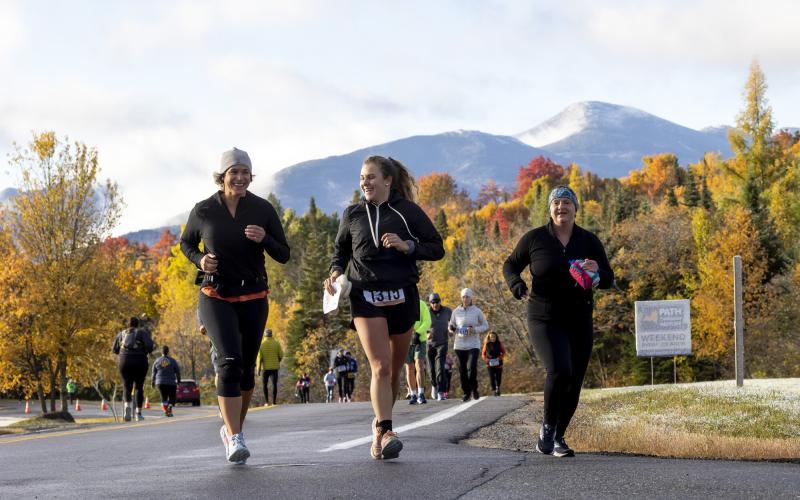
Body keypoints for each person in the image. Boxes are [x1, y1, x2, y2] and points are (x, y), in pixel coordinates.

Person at [324, 155, 444, 460]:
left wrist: (409, 246)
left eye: (372, 177)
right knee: (380, 366)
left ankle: (378, 427)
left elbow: (436, 247)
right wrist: (336, 272)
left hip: (403, 295)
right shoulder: (352, 214)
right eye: (363, 177)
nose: (365, 182)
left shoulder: (407, 212)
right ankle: (388, 430)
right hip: (365, 296)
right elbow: (340, 251)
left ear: (387, 180)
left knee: (391, 372)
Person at [181, 147, 290, 464]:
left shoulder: (262, 209)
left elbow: (284, 253)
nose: (240, 178)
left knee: (244, 372)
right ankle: (236, 437)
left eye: (245, 172)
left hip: (254, 296)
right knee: (229, 363)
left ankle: (232, 430)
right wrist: (200, 259)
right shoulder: (204, 211)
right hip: (216, 294)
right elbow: (186, 243)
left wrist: (264, 239)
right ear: (222, 176)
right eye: (234, 172)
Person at [503, 185, 613, 458]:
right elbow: (510, 265)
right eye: (557, 203)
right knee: (559, 370)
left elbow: (609, 279)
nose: (561, 208)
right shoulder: (535, 238)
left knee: (575, 380)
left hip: (579, 318)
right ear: (550, 209)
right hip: (544, 316)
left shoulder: (588, 241)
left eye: (567, 203)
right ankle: (547, 428)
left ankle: (559, 437)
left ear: (576, 209)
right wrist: (516, 284)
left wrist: (596, 270)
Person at [448, 288, 489, 402]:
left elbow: (485, 325)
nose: (465, 299)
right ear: (461, 298)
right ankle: (466, 392)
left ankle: (474, 388)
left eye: (467, 297)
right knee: (462, 370)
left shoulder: (477, 311)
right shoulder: (456, 311)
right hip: (459, 344)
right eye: (463, 297)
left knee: (471, 368)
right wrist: (451, 330)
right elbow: (451, 325)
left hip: (473, 344)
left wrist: (474, 329)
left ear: (471, 298)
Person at [112, 316, 155, 422]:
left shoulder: (121, 334)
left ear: (129, 324)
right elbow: (150, 347)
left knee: (127, 385)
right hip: (139, 361)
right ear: (138, 324)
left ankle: (127, 406)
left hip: (124, 361)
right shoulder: (142, 333)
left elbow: (114, 349)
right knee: (139, 387)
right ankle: (138, 414)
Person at [425, 293, 452, 401]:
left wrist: (451, 329)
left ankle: (441, 391)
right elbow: (421, 324)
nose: (435, 304)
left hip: (442, 342)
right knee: (431, 369)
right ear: (430, 303)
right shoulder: (426, 312)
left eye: (436, 302)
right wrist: (426, 333)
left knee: (440, 367)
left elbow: (453, 322)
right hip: (430, 344)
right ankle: (434, 385)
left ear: (440, 301)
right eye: (432, 302)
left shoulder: (447, 311)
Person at [405, 299, 431, 405]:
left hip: (420, 339)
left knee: (419, 365)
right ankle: (413, 394)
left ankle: (421, 393)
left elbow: (427, 321)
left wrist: (418, 333)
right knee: (409, 368)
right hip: (406, 340)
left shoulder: (421, 304)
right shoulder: (401, 304)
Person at [152, 345, 181, 417]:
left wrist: (152, 382)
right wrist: (178, 381)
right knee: (172, 397)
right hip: (171, 383)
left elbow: (153, 373)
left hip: (160, 383)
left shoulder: (157, 361)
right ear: (168, 352)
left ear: (161, 352)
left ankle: (166, 411)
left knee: (163, 397)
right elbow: (177, 372)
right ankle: (170, 407)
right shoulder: (173, 361)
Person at [256, 329, 283, 406]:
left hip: (265, 369)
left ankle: (267, 402)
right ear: (271, 335)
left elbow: (259, 358)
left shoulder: (261, 345)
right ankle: (274, 402)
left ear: (265, 335)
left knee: (265, 385)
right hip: (274, 368)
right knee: (274, 384)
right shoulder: (276, 343)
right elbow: (281, 355)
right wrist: (278, 361)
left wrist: (258, 369)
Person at [481, 332, 506, 397]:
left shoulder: (499, 344)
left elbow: (503, 352)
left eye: (494, 337)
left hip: (498, 363)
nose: (493, 338)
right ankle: (494, 390)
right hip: (489, 364)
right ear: (489, 337)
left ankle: (498, 388)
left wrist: (499, 358)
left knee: (498, 377)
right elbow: (483, 354)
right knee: (491, 377)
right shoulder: (486, 344)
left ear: (496, 337)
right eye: (491, 337)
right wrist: (486, 359)